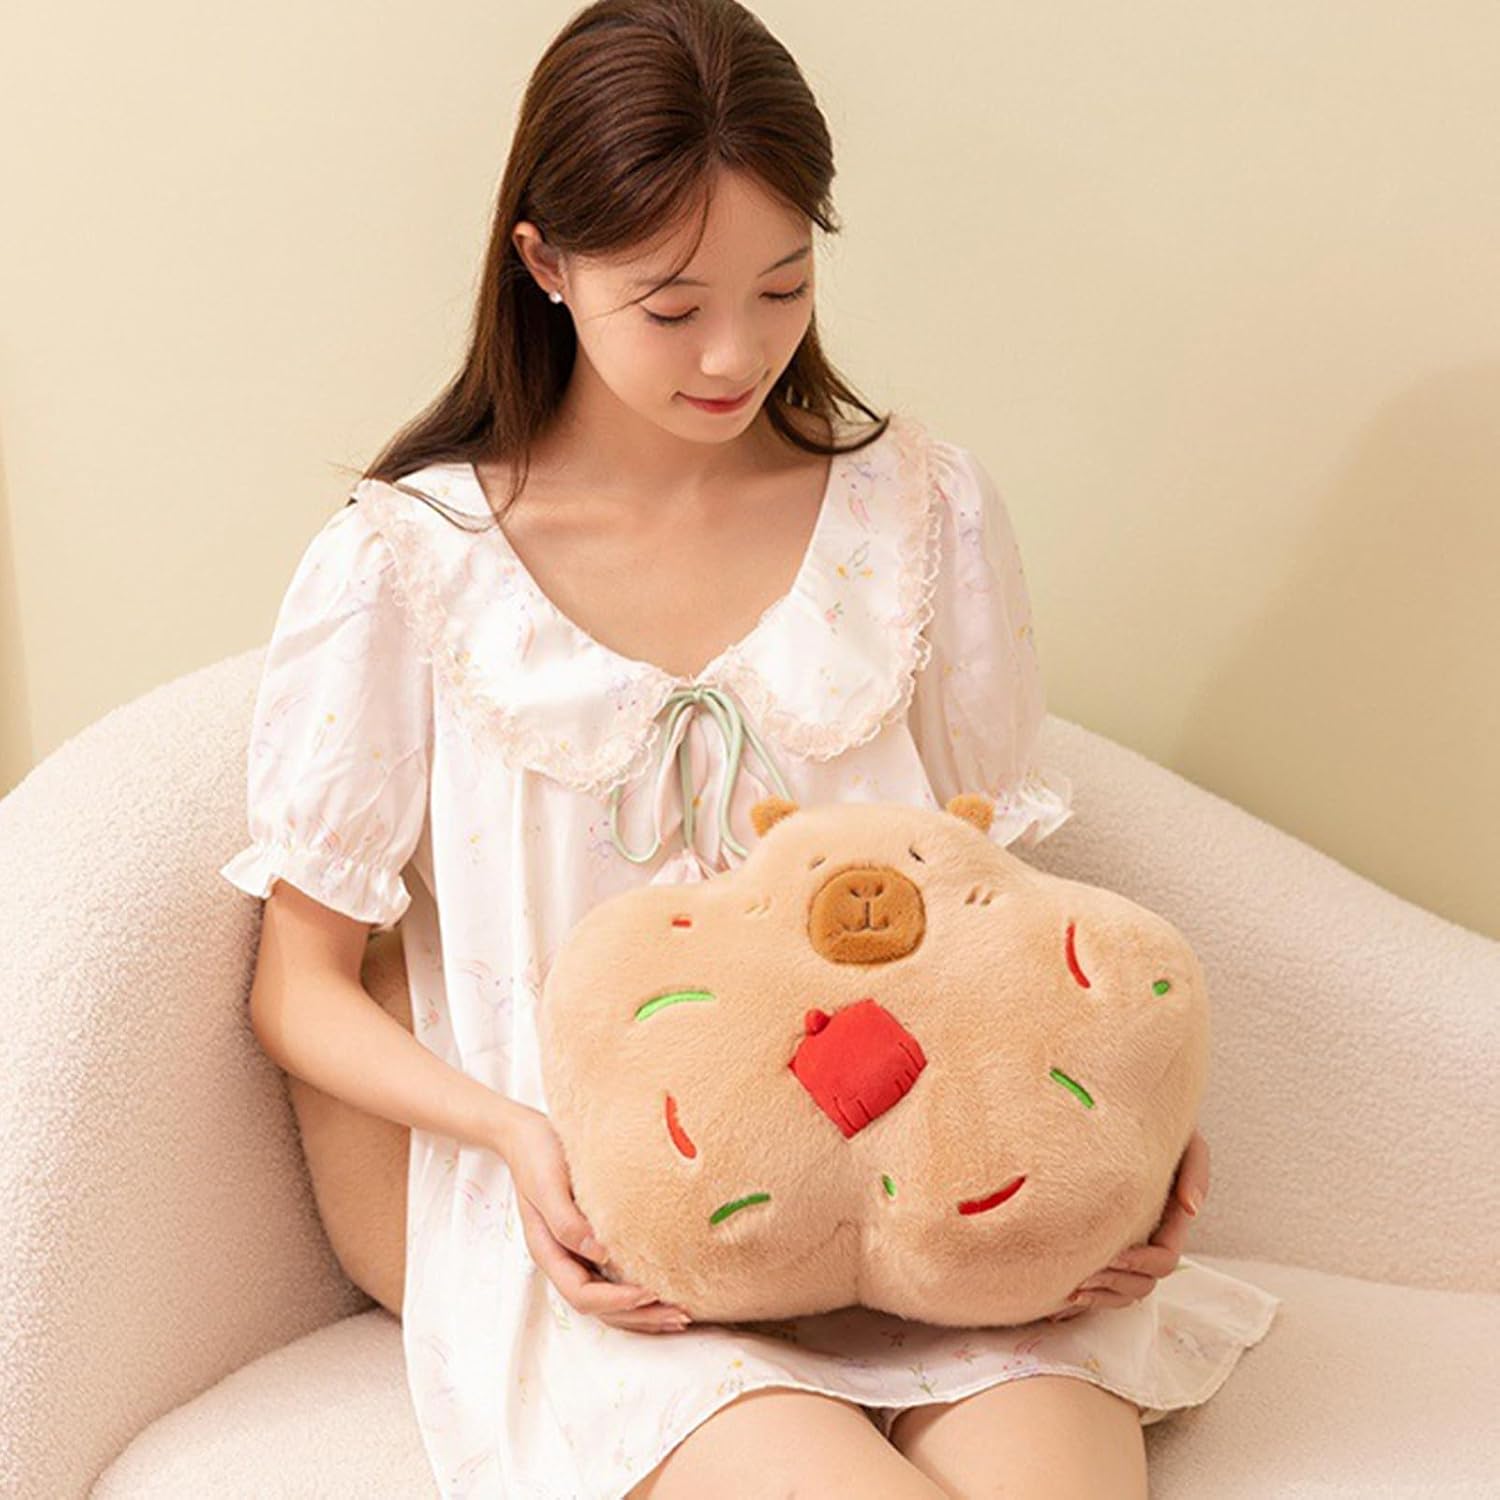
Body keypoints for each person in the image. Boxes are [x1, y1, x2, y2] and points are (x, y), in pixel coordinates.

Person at [220, 1, 1281, 1495]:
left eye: (783, 286)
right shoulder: (412, 566)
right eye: (671, 308)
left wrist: (1117, 1139)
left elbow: (999, 924)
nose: (736, 352)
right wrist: (514, 1140)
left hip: (941, 1214)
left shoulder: (920, 514)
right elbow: (301, 986)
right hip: (628, 1239)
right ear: (543, 264)